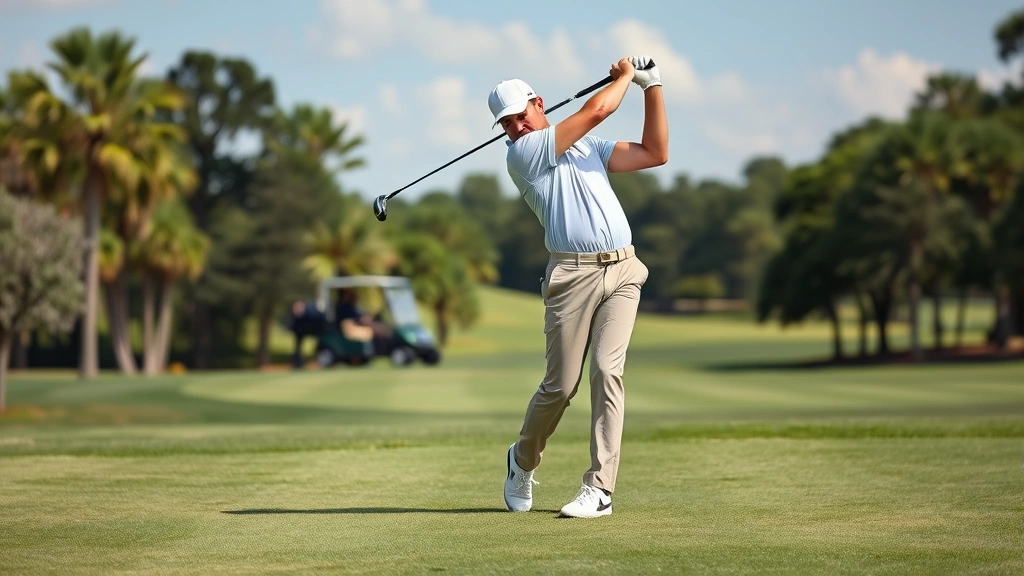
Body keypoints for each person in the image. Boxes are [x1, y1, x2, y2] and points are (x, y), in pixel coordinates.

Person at [490, 55, 667, 518]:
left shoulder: (589, 147)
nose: (516, 126)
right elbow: (596, 110)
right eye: (506, 123)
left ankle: (600, 489)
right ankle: (522, 461)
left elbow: (655, 153)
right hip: (572, 277)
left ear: (538, 104)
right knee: (560, 387)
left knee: (608, 372)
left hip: (624, 271)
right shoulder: (522, 155)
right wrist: (626, 76)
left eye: (521, 115)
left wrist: (653, 88)